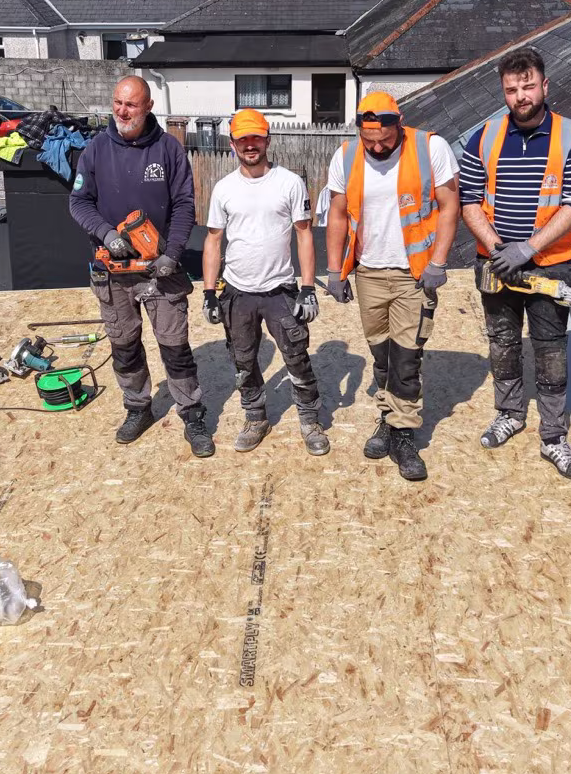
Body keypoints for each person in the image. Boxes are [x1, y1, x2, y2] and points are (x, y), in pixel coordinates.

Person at [458, 45, 571, 480]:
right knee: (503, 342)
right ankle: (510, 414)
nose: (521, 96)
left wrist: (528, 249)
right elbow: (468, 200)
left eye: (528, 86)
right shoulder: (484, 137)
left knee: (551, 349)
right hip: (497, 263)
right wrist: (499, 247)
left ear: (544, 86)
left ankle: (553, 436)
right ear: (504, 92)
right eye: (512, 89)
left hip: (549, 265)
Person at [69, 75, 213, 457]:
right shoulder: (96, 150)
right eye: (117, 102)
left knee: (175, 345)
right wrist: (106, 234)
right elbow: (78, 202)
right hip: (113, 272)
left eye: (131, 104)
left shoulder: (168, 150)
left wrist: (173, 253)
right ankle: (138, 407)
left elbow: (184, 205)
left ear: (148, 106)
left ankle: (192, 413)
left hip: (159, 268)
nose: (122, 111)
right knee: (124, 344)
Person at [323, 92, 460, 481]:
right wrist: (335, 271)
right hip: (369, 272)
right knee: (381, 355)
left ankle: (403, 434)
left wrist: (438, 261)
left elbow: (450, 205)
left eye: (385, 140)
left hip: (412, 274)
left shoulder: (430, 148)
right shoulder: (346, 157)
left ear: (399, 124)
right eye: (370, 141)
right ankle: (388, 416)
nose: (378, 148)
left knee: (406, 356)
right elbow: (337, 214)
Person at [201, 109, 329, 456]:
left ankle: (310, 420)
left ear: (267, 140)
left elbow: (304, 235)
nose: (250, 145)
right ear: (232, 144)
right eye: (242, 139)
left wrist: (308, 288)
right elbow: (213, 240)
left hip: (280, 291)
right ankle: (255, 418)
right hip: (237, 292)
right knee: (243, 360)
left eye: (256, 138)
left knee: (296, 357)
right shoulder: (224, 188)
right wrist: (209, 292)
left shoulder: (289, 183)